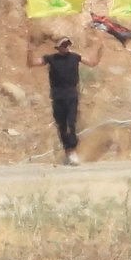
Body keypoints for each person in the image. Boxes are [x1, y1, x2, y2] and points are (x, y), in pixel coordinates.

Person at [26, 30, 103, 166]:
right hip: (57, 97)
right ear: (58, 47)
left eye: (67, 45)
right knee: (61, 125)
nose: (66, 47)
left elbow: (93, 62)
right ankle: (68, 152)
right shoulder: (51, 59)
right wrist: (30, 50)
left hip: (71, 96)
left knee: (70, 123)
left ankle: (73, 152)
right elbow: (31, 63)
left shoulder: (75, 57)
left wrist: (100, 49)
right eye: (64, 45)